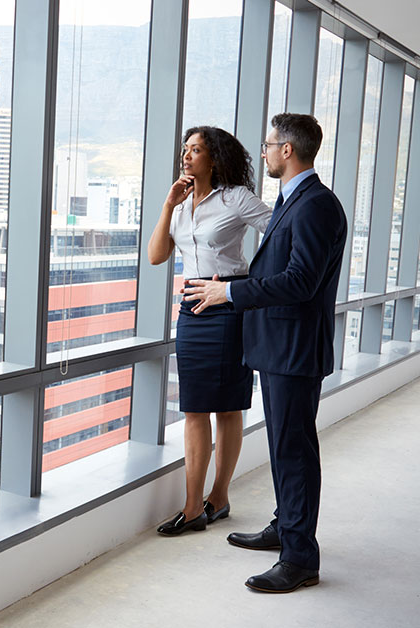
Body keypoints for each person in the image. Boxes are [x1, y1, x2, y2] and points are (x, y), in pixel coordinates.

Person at [184, 113, 347, 594]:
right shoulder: (295, 201)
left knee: (293, 452)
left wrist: (229, 297)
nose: (263, 152)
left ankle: (299, 558)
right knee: (284, 448)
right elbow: (280, 273)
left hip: (293, 350)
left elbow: (300, 282)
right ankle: (286, 527)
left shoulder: (315, 205)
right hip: (280, 347)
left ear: (288, 151)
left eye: (270, 144)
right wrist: (229, 285)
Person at [147, 126, 271, 536]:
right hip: (190, 312)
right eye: (185, 149)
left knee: (228, 406)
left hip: (226, 309)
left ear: (214, 158)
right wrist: (168, 205)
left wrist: (241, 286)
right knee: (193, 407)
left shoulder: (235, 198)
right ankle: (192, 506)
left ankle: (218, 497)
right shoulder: (182, 205)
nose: (186, 156)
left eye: (195, 150)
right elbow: (156, 256)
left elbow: (280, 229)